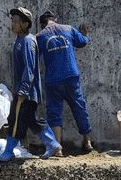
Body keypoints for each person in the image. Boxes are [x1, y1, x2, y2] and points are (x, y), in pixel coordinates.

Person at [0, 7, 63, 161]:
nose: (12, 24)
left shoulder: (27, 41)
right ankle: (52, 144)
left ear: (25, 24)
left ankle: (8, 151)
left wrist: (23, 91)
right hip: (24, 91)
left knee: (15, 121)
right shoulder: (20, 40)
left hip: (26, 93)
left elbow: (29, 69)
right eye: (12, 21)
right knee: (32, 120)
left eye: (16, 22)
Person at [37, 10, 94, 154]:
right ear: (55, 19)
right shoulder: (68, 29)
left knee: (54, 112)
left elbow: (35, 56)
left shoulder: (40, 36)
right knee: (79, 107)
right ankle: (87, 141)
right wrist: (85, 35)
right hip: (71, 75)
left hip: (53, 80)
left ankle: (58, 149)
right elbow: (82, 42)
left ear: (42, 24)